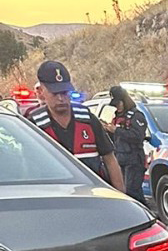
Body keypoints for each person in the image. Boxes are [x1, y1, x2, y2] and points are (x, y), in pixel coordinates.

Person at [25, 61, 126, 192]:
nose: (61, 98)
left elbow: (110, 159)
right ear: (42, 90)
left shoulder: (87, 119)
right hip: (54, 197)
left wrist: (121, 196)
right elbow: (28, 168)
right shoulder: (34, 124)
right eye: (55, 94)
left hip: (93, 196)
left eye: (64, 92)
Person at [106, 85, 158, 203]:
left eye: (118, 103)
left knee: (133, 192)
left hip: (134, 160)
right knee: (122, 192)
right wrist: (107, 130)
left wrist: (117, 130)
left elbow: (137, 136)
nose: (117, 107)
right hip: (120, 159)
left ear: (124, 101)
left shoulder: (136, 116)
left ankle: (145, 216)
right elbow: (114, 140)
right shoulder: (117, 117)